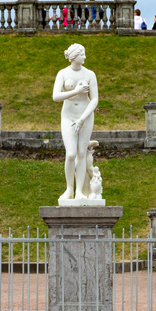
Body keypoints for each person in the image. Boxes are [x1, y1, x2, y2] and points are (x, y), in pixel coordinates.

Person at [52, 43, 99, 201]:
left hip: (85, 116)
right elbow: (56, 96)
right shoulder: (63, 73)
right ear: (74, 57)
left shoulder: (90, 74)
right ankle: (69, 189)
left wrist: (82, 119)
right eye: (82, 54)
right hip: (68, 116)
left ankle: (79, 191)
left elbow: (94, 100)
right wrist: (76, 91)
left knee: (81, 153)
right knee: (71, 153)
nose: (85, 57)